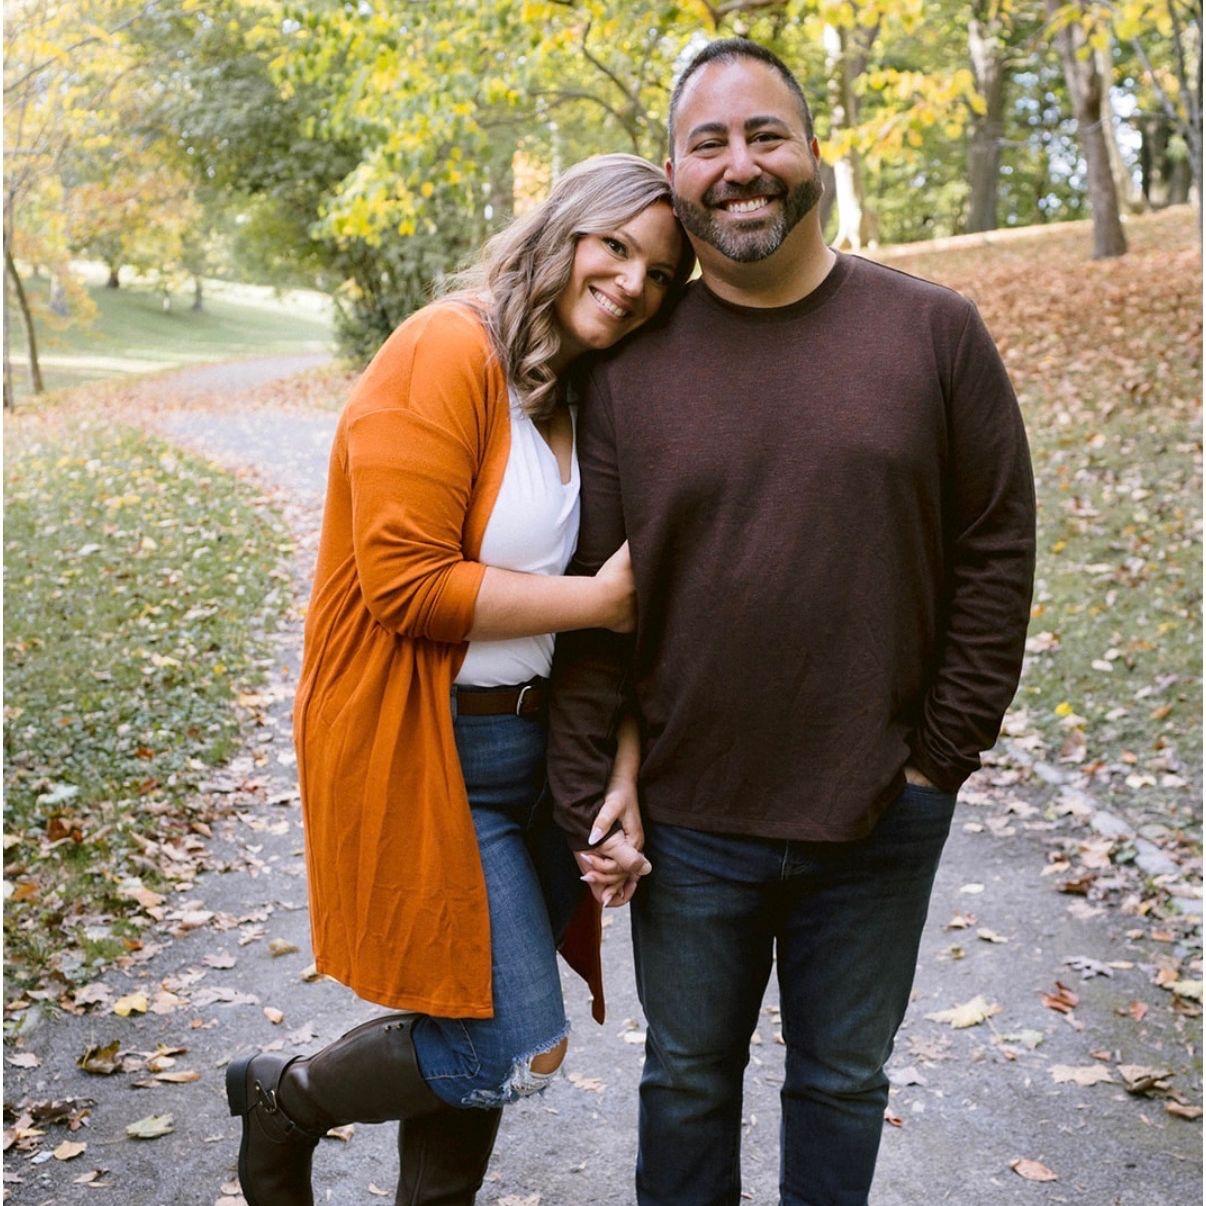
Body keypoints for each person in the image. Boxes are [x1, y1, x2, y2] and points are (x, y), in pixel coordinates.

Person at [548, 39, 1037, 1206]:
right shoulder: (629, 366)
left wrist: (936, 764)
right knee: (684, 1085)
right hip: (688, 821)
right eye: (708, 143)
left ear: (813, 150)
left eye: (765, 134)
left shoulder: (933, 334)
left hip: (877, 816)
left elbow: (996, 552)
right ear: (675, 172)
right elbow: (596, 600)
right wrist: (591, 794)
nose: (741, 165)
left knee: (841, 1086)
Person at [225, 152, 689, 1206]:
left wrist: (618, 762)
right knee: (516, 1044)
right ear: (565, 232)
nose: (632, 283)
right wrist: (598, 600)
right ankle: (286, 1100)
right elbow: (404, 582)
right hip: (424, 739)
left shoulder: (587, 388)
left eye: (662, 274)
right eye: (616, 247)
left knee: (465, 1013)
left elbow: (620, 621)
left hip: (538, 749)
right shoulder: (447, 346)